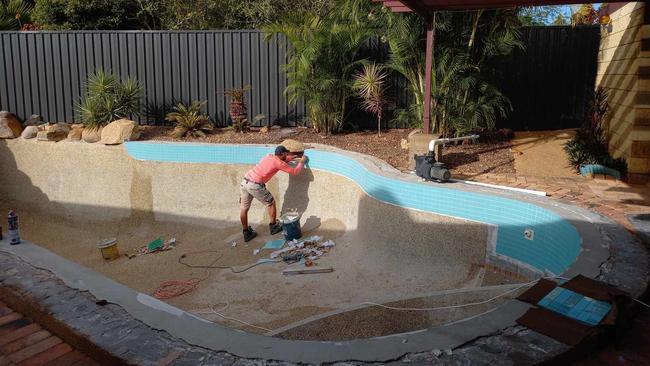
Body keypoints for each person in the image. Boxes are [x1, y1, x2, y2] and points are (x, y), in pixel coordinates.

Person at [239, 145, 307, 242]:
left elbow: (281, 161)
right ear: (283, 154)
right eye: (286, 153)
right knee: (270, 203)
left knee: (244, 208)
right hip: (255, 185)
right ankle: (273, 226)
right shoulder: (279, 163)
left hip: (245, 181)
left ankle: (246, 233)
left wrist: (294, 156)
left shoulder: (269, 156)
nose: (287, 155)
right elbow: (294, 171)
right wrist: (301, 161)